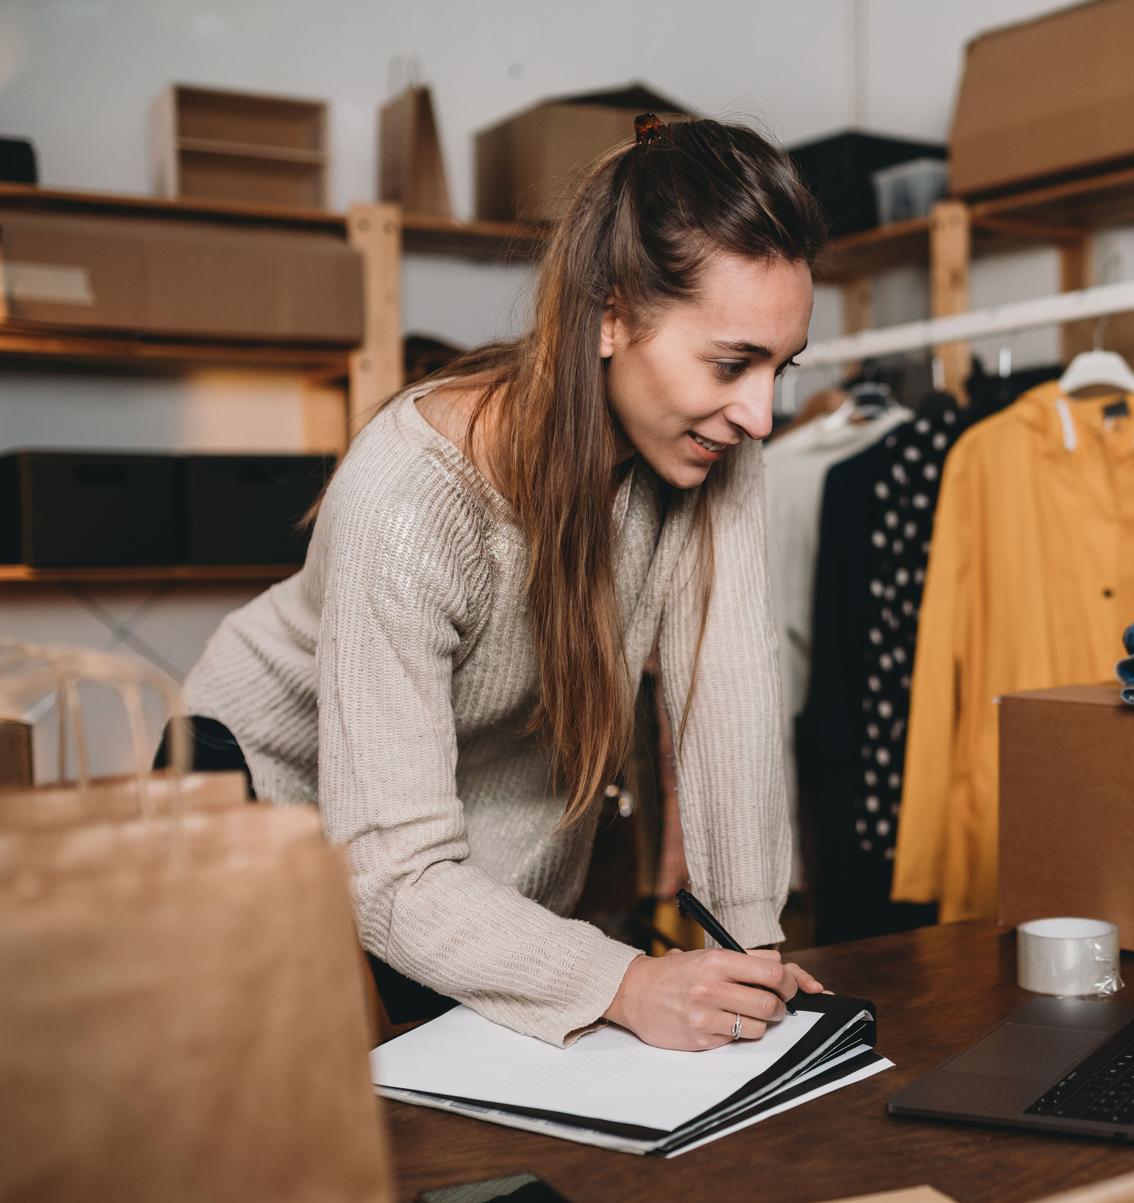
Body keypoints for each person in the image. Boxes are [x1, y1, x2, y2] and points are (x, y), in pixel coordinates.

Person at [175, 113, 825, 1050]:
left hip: (462, 838)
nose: (762, 413)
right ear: (608, 313)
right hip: (275, 799)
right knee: (331, 1135)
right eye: (731, 362)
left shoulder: (712, 443)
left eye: (780, 367)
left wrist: (748, 960)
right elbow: (389, 874)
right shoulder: (410, 497)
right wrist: (627, 980)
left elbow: (728, 698)